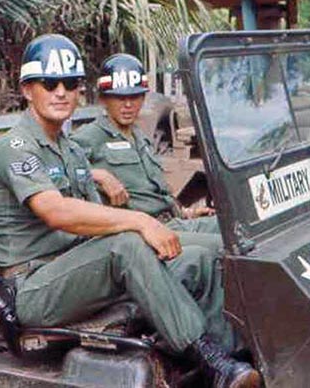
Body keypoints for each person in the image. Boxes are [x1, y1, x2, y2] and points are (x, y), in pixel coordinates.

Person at [0, 34, 260, 388]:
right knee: (127, 243)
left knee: (199, 256)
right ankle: (209, 358)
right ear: (26, 90)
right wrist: (142, 221)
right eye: (49, 83)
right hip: (34, 286)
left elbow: (93, 214)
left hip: (78, 267)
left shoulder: (69, 150)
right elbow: (56, 211)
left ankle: (234, 357)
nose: (60, 92)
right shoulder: (14, 147)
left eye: (70, 84)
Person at [71, 53, 221, 249]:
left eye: (134, 97)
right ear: (103, 99)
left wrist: (186, 213)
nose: (127, 105)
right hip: (143, 236)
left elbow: (153, 192)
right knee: (223, 248)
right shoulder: (90, 135)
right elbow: (55, 167)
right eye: (119, 97)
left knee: (238, 229)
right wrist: (95, 174)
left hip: (174, 222)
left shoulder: (140, 137)